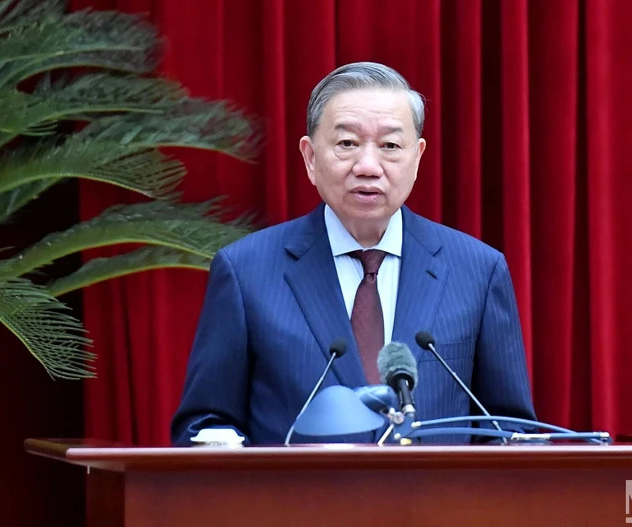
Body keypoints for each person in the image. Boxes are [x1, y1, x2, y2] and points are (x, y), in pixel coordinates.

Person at [171, 62, 536, 445]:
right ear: (311, 158)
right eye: (346, 144)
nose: (367, 166)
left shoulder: (477, 271)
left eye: (390, 146)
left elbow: (508, 432)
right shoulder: (246, 271)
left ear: (417, 157)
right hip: (296, 503)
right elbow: (205, 425)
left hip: (434, 505)